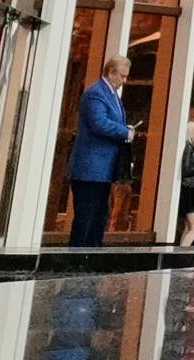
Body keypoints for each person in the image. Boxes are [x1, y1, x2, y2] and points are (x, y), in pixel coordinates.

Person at [67, 55, 135, 248]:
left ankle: (91, 256)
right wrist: (125, 132)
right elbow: (99, 124)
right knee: (86, 217)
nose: (124, 81)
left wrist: (125, 128)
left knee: (99, 216)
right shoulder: (96, 93)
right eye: (122, 76)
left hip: (102, 170)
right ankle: (77, 258)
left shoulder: (110, 94)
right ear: (111, 72)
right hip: (90, 168)